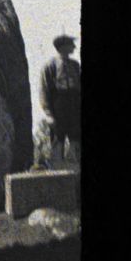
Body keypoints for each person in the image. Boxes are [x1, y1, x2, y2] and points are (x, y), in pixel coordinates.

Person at [39, 34, 81, 169]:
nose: (74, 47)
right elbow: (44, 90)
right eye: (70, 44)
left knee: (76, 137)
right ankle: (57, 169)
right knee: (58, 138)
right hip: (59, 105)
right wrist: (49, 114)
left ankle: (75, 168)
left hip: (74, 105)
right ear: (62, 47)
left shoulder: (75, 65)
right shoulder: (50, 66)